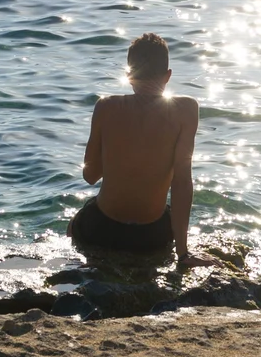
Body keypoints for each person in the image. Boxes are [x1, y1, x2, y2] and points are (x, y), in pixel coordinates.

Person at [69, 34, 213, 266]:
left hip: (101, 230)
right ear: (168, 76)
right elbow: (182, 183)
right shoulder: (186, 110)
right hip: (152, 236)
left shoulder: (105, 107)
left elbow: (90, 176)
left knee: (76, 222)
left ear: (129, 76)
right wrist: (183, 254)